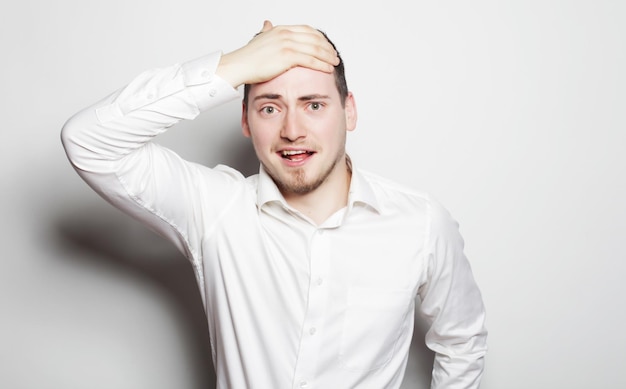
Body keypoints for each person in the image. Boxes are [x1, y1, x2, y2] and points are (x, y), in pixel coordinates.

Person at [61, 21, 487, 389]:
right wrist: (236, 65)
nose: (292, 130)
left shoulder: (421, 223)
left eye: (313, 105)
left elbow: (462, 340)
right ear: (246, 120)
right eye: (269, 107)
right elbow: (89, 142)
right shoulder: (215, 210)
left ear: (348, 111)